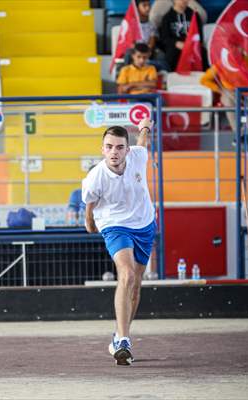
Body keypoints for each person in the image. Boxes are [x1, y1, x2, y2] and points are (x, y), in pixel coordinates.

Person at [82, 118, 156, 366]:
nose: (114, 151)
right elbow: (89, 206)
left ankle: (119, 335)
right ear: (102, 149)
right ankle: (124, 340)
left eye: (119, 147)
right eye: (109, 146)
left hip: (144, 223)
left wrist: (145, 126)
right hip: (114, 224)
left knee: (136, 284)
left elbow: (143, 140)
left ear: (127, 149)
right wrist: (90, 223)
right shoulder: (95, 177)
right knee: (126, 274)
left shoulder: (138, 156)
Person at [201, 64, 248, 150]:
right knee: (229, 100)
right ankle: (241, 136)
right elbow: (204, 80)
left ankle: (242, 136)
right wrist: (221, 90)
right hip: (230, 93)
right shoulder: (220, 62)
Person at [158, 0, 203, 71]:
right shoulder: (167, 18)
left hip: (192, 45)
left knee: (203, 53)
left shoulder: (194, 15)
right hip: (176, 46)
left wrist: (193, 44)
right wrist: (176, 43)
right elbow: (164, 38)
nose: (184, 0)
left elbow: (200, 34)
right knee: (171, 55)